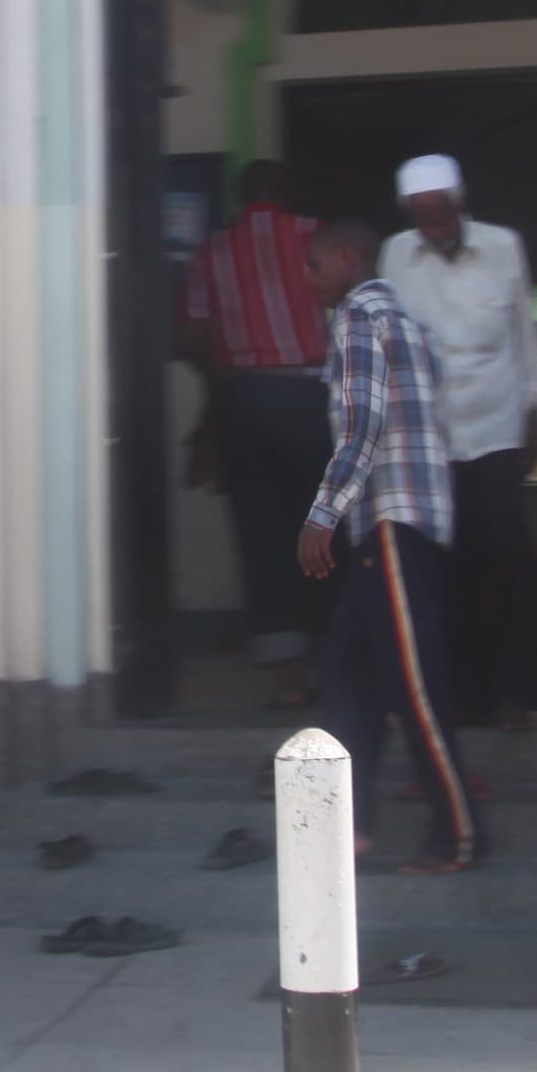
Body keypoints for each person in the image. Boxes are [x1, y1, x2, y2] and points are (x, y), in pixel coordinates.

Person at [299, 219, 479, 874]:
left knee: (413, 685)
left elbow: (364, 427)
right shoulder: (410, 322)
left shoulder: (357, 318)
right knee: (347, 671)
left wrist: (322, 514)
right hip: (396, 521)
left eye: (314, 266)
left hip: (392, 521)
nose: (308, 280)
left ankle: (457, 833)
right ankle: (351, 824)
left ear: (347, 257)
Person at [379, 154, 537, 730]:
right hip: (430, 444)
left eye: (441, 214)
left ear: (460, 204)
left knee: (507, 566)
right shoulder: (395, 256)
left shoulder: (504, 247)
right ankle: (461, 700)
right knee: (446, 576)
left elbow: (525, 331)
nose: (434, 228)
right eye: (422, 218)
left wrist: (536, 411)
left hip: (496, 431)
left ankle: (516, 694)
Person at [183, 160, 334, 697]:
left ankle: (289, 675)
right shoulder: (315, 236)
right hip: (310, 395)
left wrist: (222, 386)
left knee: (261, 536)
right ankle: (337, 658)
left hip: (244, 399)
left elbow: (194, 334)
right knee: (322, 526)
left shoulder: (211, 252)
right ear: (286, 192)